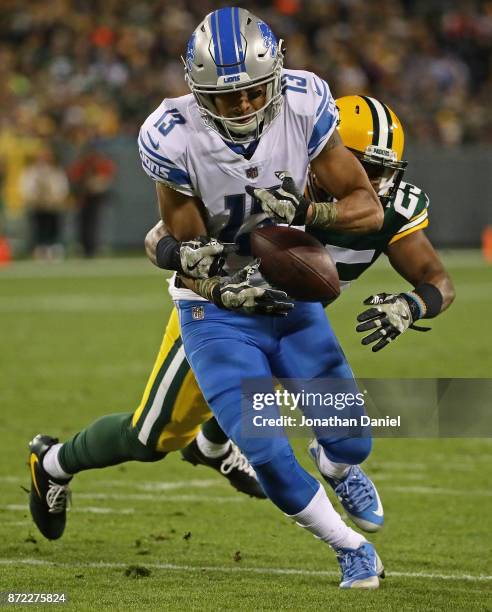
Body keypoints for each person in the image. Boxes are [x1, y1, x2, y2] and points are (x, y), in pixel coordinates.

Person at [28, 9, 387, 588]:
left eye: (251, 93)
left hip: (287, 292)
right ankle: (348, 547)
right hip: (216, 305)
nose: (243, 107)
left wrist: (306, 213)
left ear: (276, 76)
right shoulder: (172, 134)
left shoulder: (304, 102)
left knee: (351, 436)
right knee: (169, 438)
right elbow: (180, 244)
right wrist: (219, 285)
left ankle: (315, 459)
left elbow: (365, 206)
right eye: (226, 98)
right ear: (196, 91)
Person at [20, 145, 69, 260]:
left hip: (53, 205)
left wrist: (55, 198)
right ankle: (40, 250)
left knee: (54, 227)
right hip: (38, 205)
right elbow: (25, 187)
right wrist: (35, 198)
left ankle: (54, 249)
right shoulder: (31, 171)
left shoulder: (56, 171)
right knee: (39, 228)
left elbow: (62, 187)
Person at [68, 143, 116, 257]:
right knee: (84, 223)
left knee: (94, 222)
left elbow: (105, 178)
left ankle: (93, 247)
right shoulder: (82, 164)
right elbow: (74, 178)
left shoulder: (99, 164)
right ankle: (85, 247)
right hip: (83, 197)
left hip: (96, 197)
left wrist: (94, 183)